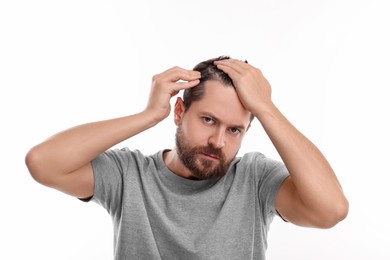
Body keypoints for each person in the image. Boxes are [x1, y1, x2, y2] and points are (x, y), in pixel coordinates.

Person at [25, 56, 348, 259]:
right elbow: (43, 162)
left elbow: (331, 210)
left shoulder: (255, 179)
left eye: (235, 129)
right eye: (208, 120)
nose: (218, 141)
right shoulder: (129, 175)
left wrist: (266, 109)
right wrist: (149, 115)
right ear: (180, 111)